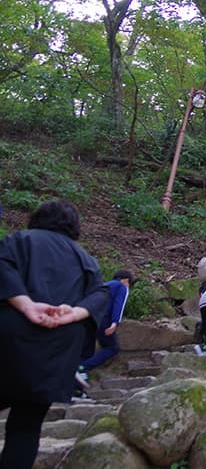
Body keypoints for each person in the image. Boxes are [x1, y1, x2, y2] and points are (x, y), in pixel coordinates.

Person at [0, 200, 109, 468]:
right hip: (57, 350)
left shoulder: (19, 240)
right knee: (27, 427)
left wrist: (26, 304)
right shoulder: (86, 259)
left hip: (11, 338)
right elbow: (100, 293)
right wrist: (75, 313)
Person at [76, 269, 134, 388]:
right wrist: (115, 322)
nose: (129, 286)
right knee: (112, 347)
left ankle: (76, 386)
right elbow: (119, 304)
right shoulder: (121, 286)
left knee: (87, 351)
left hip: (88, 318)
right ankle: (82, 368)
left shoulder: (103, 286)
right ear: (126, 280)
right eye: (130, 284)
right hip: (104, 319)